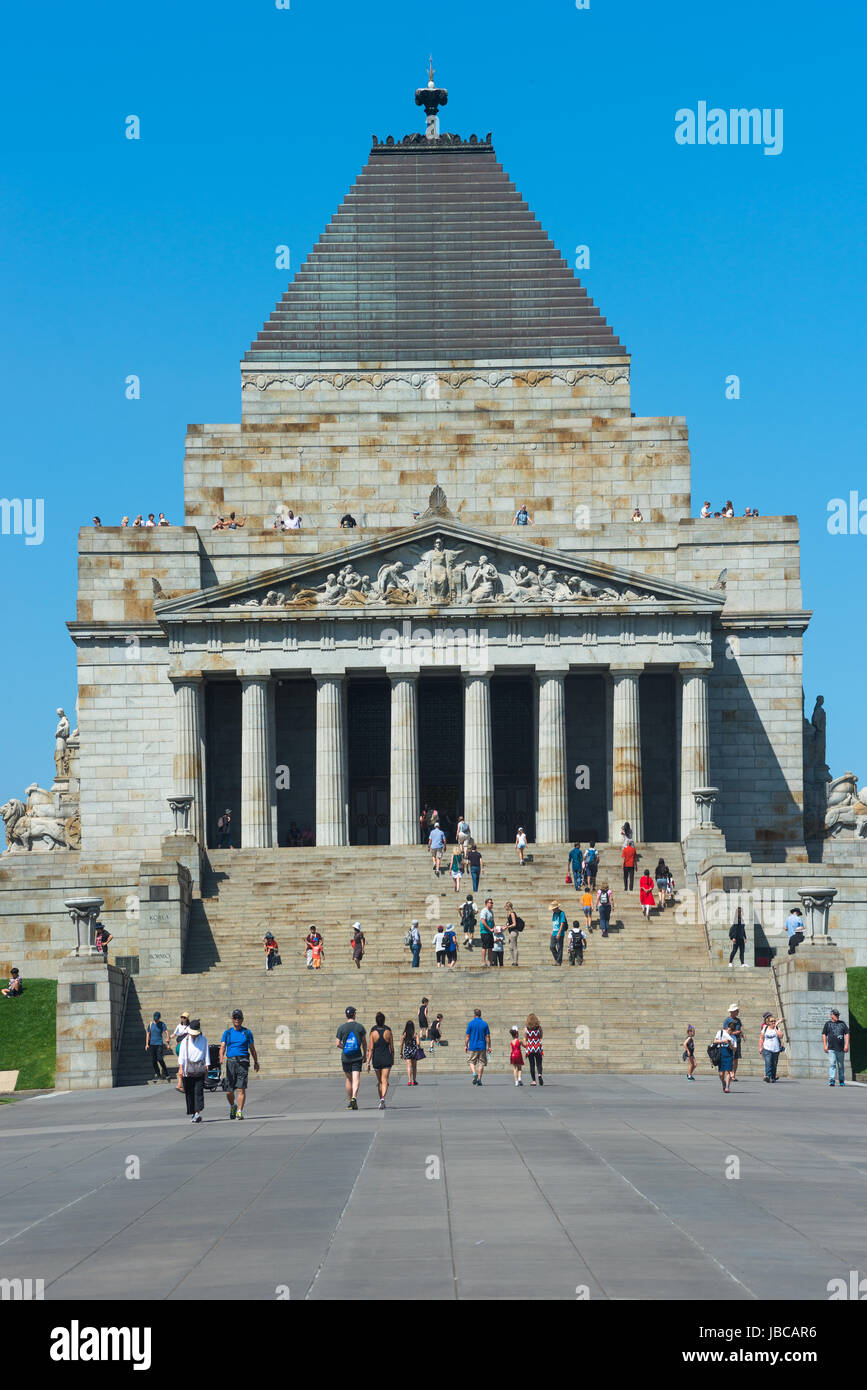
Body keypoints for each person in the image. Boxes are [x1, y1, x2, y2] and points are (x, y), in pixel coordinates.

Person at [220, 1009, 259, 1119]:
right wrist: (221, 1056)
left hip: (243, 1062)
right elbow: (223, 1046)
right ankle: (233, 1106)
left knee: (241, 1088)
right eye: (235, 1017)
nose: (237, 1020)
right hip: (231, 1062)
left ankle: (239, 1111)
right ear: (232, 1019)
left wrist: (256, 1062)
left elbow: (252, 1049)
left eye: (239, 1018)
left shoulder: (247, 1032)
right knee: (228, 1091)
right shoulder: (227, 1033)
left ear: (242, 1019)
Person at [178, 1019, 209, 1123]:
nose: (194, 1035)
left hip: (200, 1069)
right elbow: (181, 1057)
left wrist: (207, 1068)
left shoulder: (203, 1040)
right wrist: (181, 1069)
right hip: (188, 1070)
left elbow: (206, 1054)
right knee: (189, 1093)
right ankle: (193, 1113)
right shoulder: (184, 1041)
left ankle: (197, 1113)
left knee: (198, 1092)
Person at [335, 1007, 366, 1108]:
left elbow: (337, 1044)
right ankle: (354, 1097)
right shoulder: (360, 1027)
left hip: (346, 1057)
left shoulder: (341, 1028)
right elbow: (364, 1043)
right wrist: (365, 1054)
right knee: (356, 1078)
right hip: (357, 1057)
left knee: (348, 1079)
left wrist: (345, 1047)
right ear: (354, 1014)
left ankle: (349, 1101)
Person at [367, 1013, 394, 1109]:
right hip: (387, 1057)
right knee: (385, 1080)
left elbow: (370, 1049)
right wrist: (393, 1058)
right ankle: (383, 1098)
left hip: (376, 1059)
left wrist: (368, 1062)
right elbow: (392, 1048)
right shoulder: (388, 1031)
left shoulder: (373, 1032)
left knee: (380, 1081)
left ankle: (381, 1099)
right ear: (384, 1020)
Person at [823, 1008, 850, 1087]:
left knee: (840, 1065)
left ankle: (841, 1080)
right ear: (831, 1015)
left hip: (841, 1048)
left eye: (838, 1015)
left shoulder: (842, 1023)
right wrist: (825, 1045)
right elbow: (824, 1034)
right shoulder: (827, 1024)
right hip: (831, 1048)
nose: (837, 1016)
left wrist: (846, 1044)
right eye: (836, 1015)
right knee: (832, 1064)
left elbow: (847, 1033)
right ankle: (832, 1080)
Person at [466, 1008, 491, 1086]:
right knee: (481, 1063)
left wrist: (466, 1045)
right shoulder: (485, 1024)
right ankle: (479, 1079)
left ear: (474, 1015)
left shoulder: (470, 1023)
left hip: (473, 1046)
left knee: (471, 1061)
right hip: (482, 1046)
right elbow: (488, 1037)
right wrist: (489, 1046)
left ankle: (474, 1074)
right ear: (480, 1015)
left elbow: (467, 1036)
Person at [144, 1011, 168, 1081]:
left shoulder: (162, 1024)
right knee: (153, 1060)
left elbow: (166, 1031)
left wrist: (167, 1038)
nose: (156, 1019)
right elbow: (148, 1034)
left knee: (160, 1058)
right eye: (155, 1018)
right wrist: (147, 1044)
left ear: (159, 1018)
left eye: (157, 1018)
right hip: (152, 1044)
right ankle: (158, 1074)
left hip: (159, 1043)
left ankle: (166, 1073)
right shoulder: (151, 1024)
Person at [759, 1015, 783, 1083]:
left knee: (774, 1064)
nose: (773, 1022)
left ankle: (773, 1077)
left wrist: (775, 1027)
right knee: (768, 1062)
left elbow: (781, 1036)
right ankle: (767, 1076)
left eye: (774, 1021)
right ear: (768, 1022)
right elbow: (761, 1038)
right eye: (771, 1021)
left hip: (776, 1049)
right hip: (767, 1048)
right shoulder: (765, 1028)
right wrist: (760, 1047)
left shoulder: (777, 1028)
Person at [171, 1011, 191, 1092]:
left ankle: (180, 1084)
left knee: (182, 1066)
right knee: (181, 1065)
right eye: (182, 1017)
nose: (182, 1019)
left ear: (187, 1019)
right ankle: (180, 1084)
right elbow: (174, 1034)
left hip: (186, 1048)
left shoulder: (189, 1027)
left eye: (184, 1017)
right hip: (180, 1048)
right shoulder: (179, 1026)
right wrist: (169, 1038)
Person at [723, 1004, 743, 1081]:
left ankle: (733, 1074)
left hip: (737, 1041)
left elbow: (739, 1030)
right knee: (729, 1057)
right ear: (732, 1012)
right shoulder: (727, 1020)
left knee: (736, 1058)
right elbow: (725, 1031)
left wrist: (738, 1033)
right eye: (736, 1011)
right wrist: (735, 1032)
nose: (737, 1012)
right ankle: (729, 1073)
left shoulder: (738, 1020)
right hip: (729, 1041)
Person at [713, 1024, 735, 1093]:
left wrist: (730, 1044)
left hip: (729, 1054)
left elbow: (734, 1049)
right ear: (727, 1028)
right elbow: (715, 1041)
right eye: (729, 1030)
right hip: (721, 1052)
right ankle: (723, 1082)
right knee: (721, 1073)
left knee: (728, 1071)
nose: (729, 1032)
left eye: (731, 1031)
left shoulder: (733, 1037)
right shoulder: (720, 1032)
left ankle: (727, 1087)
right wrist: (723, 1041)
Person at [400, 1019, 423, 1085]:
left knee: (408, 1066)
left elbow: (401, 1044)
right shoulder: (415, 1034)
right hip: (414, 1051)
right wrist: (419, 1047)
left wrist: (401, 1053)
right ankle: (414, 1081)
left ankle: (409, 1081)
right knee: (414, 1067)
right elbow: (418, 1043)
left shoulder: (404, 1035)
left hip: (407, 1051)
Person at [524, 1014, 544, 1086]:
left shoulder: (526, 1029)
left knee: (532, 1064)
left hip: (530, 1048)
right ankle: (539, 1074)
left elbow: (526, 1038)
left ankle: (534, 1081)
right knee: (539, 1063)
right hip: (538, 1046)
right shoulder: (539, 1028)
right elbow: (541, 1036)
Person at [549, 900, 567, 964]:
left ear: (556, 908)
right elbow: (554, 923)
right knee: (551, 947)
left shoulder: (561, 913)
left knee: (559, 947)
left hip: (560, 933)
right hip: (554, 932)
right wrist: (552, 931)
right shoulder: (554, 914)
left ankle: (558, 961)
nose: (552, 910)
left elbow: (562, 923)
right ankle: (557, 959)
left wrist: (559, 933)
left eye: (553, 908)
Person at [479, 898, 495, 966]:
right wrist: (489, 928)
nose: (491, 904)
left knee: (490, 947)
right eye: (490, 902)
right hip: (484, 932)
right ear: (486, 903)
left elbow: (492, 921)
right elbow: (483, 921)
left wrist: (494, 927)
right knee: (484, 947)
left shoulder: (491, 911)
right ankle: (483, 962)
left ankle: (491, 962)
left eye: (492, 903)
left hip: (490, 932)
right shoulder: (484, 911)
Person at [505, 901, 522, 966]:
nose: (505, 907)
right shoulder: (509, 913)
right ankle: (514, 960)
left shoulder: (512, 913)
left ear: (508, 907)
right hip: (511, 932)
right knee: (510, 947)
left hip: (514, 932)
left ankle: (516, 962)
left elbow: (514, 924)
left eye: (506, 906)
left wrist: (507, 926)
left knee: (514, 947)